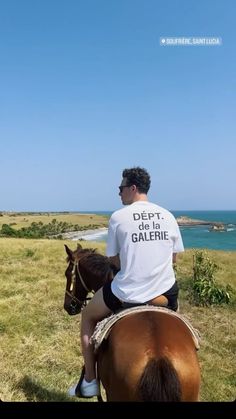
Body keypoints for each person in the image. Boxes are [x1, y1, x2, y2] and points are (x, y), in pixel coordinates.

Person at [68, 166, 184, 398]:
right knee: (177, 319)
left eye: (120, 188)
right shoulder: (168, 215)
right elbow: (174, 257)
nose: (118, 193)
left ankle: (90, 380)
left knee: (88, 316)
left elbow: (113, 259)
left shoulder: (118, 217)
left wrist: (131, 266)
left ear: (133, 188)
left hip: (127, 292)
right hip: (166, 292)